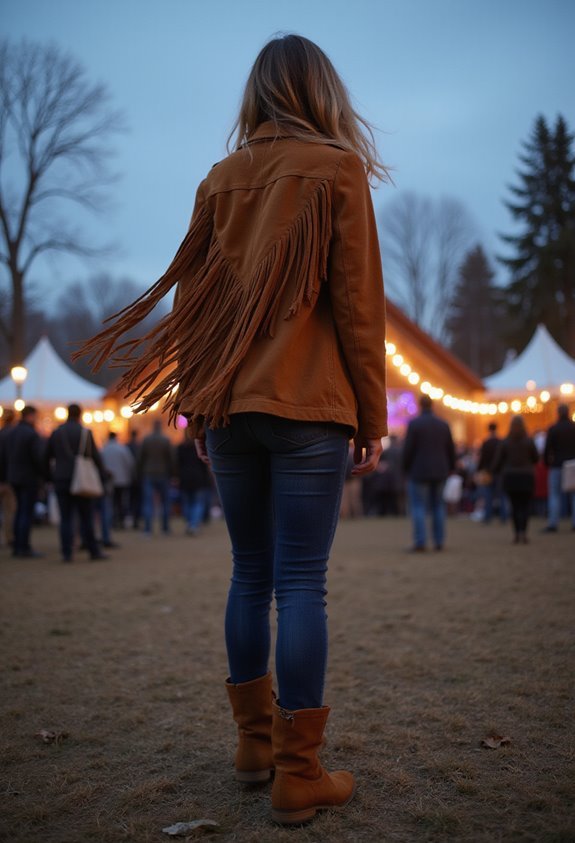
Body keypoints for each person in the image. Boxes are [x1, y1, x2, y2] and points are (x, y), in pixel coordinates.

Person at [78, 34, 388, 824]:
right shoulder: (336, 169)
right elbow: (356, 305)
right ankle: (297, 771)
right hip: (309, 406)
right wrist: (372, 414)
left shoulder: (219, 180)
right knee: (299, 584)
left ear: (255, 97)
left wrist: (195, 406)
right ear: (321, 93)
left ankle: (254, 747)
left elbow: (194, 308)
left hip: (229, 410)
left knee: (249, 574)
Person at [45, 404, 108, 562]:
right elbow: (95, 457)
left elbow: (46, 456)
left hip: (61, 479)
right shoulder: (85, 433)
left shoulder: (56, 433)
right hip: (82, 479)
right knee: (86, 516)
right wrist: (103, 474)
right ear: (80, 415)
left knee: (65, 518)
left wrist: (50, 476)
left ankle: (67, 553)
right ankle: (93, 550)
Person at [402, 395, 456, 551]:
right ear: (433, 405)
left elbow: (408, 450)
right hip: (440, 470)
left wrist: (406, 469)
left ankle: (420, 542)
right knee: (438, 506)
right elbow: (450, 449)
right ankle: (439, 541)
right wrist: (451, 468)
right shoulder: (443, 424)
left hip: (418, 471)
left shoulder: (414, 424)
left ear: (420, 405)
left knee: (418, 506)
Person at [0, 405, 45, 557]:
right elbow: (38, 458)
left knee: (18, 512)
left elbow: (5, 457)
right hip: (28, 478)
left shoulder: (11, 433)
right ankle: (24, 546)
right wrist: (43, 476)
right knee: (26, 512)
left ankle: (17, 545)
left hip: (13, 478)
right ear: (31, 416)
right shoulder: (31, 434)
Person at [492, 415, 539, 544]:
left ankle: (517, 533)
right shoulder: (529, 441)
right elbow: (536, 458)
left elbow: (498, 461)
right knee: (525, 506)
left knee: (514, 506)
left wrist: (493, 471)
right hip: (526, 476)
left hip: (510, 477)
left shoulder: (505, 442)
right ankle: (523, 532)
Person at [138, 420, 175, 535]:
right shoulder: (166, 440)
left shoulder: (146, 440)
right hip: (163, 473)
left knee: (148, 502)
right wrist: (173, 474)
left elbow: (140, 458)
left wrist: (139, 472)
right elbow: (171, 459)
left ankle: (148, 529)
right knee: (165, 502)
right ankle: (165, 528)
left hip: (148, 473)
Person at [542, 404, 575, 532]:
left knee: (554, 495)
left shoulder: (553, 428)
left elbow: (547, 449)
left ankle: (553, 523)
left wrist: (546, 463)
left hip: (557, 465)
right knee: (574, 495)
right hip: (573, 464)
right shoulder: (573, 427)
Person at [176, 432, 212, 535]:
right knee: (197, 503)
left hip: (185, 478)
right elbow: (204, 464)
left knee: (187, 502)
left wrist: (177, 477)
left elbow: (177, 463)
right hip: (198, 478)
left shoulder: (180, 448)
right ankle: (194, 524)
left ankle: (189, 523)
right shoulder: (199, 447)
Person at [101, 431, 135, 530]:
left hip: (109, 481)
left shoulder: (104, 449)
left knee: (111, 502)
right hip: (122, 480)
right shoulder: (122, 449)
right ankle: (121, 521)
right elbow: (130, 463)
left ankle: (112, 521)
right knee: (122, 501)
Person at [0, 409, 17, 549]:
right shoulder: (12, 435)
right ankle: (9, 537)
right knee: (9, 510)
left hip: (5, 477)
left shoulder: (2, 433)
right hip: (8, 478)